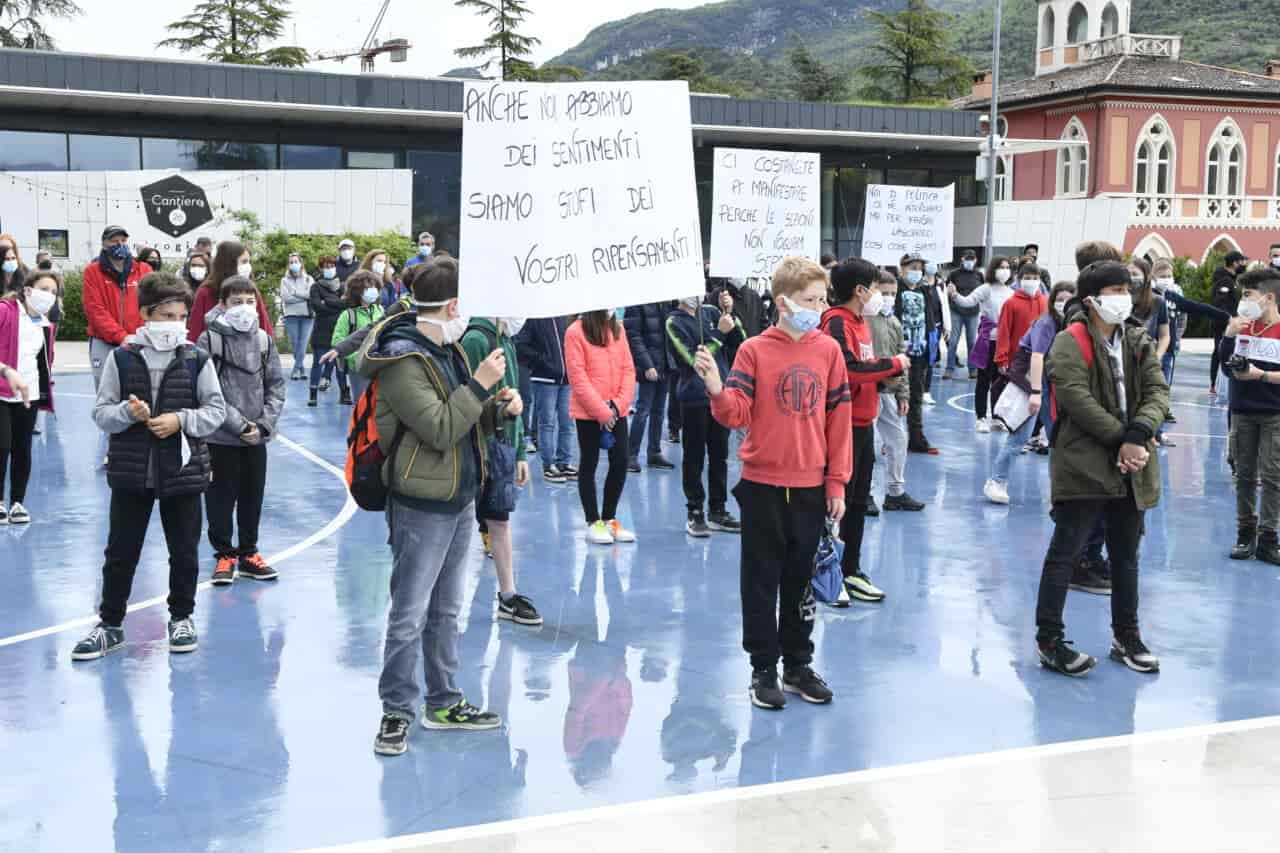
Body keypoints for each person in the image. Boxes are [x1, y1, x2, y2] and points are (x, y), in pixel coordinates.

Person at [354, 256, 517, 755]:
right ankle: (396, 710)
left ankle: (443, 699)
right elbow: (441, 427)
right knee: (409, 612)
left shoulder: (446, 351)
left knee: (447, 609)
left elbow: (466, 420)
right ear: (452, 305)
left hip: (460, 495)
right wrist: (480, 387)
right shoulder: (405, 360)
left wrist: (496, 409)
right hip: (421, 503)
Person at [699, 256, 851, 710]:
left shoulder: (828, 352)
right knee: (761, 580)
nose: (819, 308)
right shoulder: (754, 351)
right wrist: (715, 388)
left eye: (822, 299)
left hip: (810, 487)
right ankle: (763, 667)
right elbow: (736, 413)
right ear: (783, 302)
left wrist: (837, 482)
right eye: (810, 300)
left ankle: (798, 664)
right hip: (763, 485)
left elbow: (838, 421)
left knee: (800, 580)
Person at [72, 271, 227, 661]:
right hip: (131, 471)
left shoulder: (197, 359)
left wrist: (181, 420)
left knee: (185, 551)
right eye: (166, 316)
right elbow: (102, 413)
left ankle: (181, 617)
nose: (174, 324)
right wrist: (127, 411)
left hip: (182, 471)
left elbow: (216, 410)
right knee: (121, 551)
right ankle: (110, 624)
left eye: (180, 317)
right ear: (145, 314)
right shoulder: (122, 359)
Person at [1033, 260, 1167, 677]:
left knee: (1126, 557)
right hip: (1085, 465)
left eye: (1127, 289)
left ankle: (1126, 635)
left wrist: (1140, 431)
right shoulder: (1069, 341)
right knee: (1066, 552)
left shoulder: (1137, 339)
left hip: (1133, 463)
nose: (1124, 297)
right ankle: (1049, 638)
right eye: (1114, 291)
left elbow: (1158, 390)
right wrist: (1123, 439)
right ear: (1091, 299)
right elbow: (1075, 398)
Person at [822, 258, 911, 603]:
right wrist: (893, 364)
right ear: (860, 290)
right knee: (836, 503)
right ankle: (827, 570)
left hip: (864, 423)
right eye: (875, 287)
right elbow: (848, 369)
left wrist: (887, 378)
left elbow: (866, 370)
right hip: (840, 426)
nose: (879, 294)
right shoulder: (836, 322)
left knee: (858, 502)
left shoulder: (862, 323)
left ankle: (850, 568)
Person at [197, 275, 286, 585]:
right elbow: (209, 391)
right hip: (221, 437)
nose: (244, 308)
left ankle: (249, 553)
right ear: (222, 305)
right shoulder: (210, 340)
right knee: (220, 497)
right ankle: (224, 555)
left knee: (252, 496)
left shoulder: (264, 340)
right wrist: (240, 425)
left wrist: (263, 425)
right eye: (236, 302)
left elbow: (275, 385)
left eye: (250, 301)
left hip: (256, 438)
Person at [460, 315, 542, 626]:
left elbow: (513, 398)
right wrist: (500, 409)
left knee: (500, 519)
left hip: (503, 443)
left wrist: (519, 450)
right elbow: (467, 396)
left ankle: (508, 594)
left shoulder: (505, 337)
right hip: (480, 445)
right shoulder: (477, 339)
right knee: (468, 519)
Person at [984, 281, 1075, 505]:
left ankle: (1061, 488)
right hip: (1031, 383)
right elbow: (1037, 357)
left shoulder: (1073, 325)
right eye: (1059, 299)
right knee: (1019, 437)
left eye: (1068, 300)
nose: (1064, 304)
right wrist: (1035, 392)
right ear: (1052, 301)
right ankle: (996, 481)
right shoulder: (1046, 324)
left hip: (1053, 385)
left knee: (1058, 438)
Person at [666, 294, 745, 536]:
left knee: (720, 455)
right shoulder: (673, 322)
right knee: (694, 457)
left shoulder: (711, 312)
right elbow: (695, 361)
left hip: (720, 394)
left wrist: (731, 316)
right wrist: (719, 334)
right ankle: (695, 510)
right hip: (694, 398)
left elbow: (741, 342)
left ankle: (718, 509)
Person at [1219, 267, 1280, 564]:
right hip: (1242, 412)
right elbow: (1225, 367)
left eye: (1247, 295)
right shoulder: (1242, 326)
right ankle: (1245, 534)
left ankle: (1269, 538)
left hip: (1275, 414)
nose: (1242, 301)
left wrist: (1262, 376)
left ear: (1268, 298)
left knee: (1273, 477)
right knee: (1244, 475)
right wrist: (1228, 337)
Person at [565, 308, 636, 545]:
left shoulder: (618, 329)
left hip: (617, 410)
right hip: (589, 413)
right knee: (589, 463)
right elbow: (578, 378)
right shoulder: (575, 332)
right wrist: (602, 411)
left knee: (621, 460)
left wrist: (617, 405)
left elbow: (628, 369)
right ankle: (592, 521)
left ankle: (609, 517)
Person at [0, 270, 58, 524]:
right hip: (1, 390)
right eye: (44, 289)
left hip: (29, 393)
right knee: (2, 446)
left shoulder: (46, 324)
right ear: (28, 290)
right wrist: (6, 371)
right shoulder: (5, 311)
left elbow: (44, 360)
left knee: (22, 449)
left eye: (54, 292)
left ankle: (17, 503)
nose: (49, 295)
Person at [866, 271, 923, 514]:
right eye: (883, 293)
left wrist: (903, 393)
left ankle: (895, 492)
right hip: (868, 391)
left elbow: (903, 359)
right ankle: (864, 491)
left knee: (898, 440)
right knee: (866, 445)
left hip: (890, 393)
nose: (888, 298)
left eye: (892, 294)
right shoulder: (864, 320)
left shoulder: (895, 322)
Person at [950, 255, 1015, 432]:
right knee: (983, 381)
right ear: (993, 269)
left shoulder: (1011, 292)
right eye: (1001, 267)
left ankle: (996, 417)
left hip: (1004, 343)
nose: (1004, 270)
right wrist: (954, 295)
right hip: (987, 340)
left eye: (1007, 267)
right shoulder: (986, 289)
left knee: (999, 381)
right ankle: (980, 417)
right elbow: (968, 301)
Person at [82, 226, 146, 394]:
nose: (120, 244)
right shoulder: (92, 272)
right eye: (114, 241)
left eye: (123, 241)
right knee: (106, 392)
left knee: (137, 392)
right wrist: (121, 336)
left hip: (137, 341)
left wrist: (137, 335)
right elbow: (94, 309)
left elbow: (149, 305)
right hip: (103, 342)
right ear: (104, 244)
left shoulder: (143, 270)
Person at [516, 316, 577, 483]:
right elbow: (520, 345)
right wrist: (542, 361)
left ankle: (564, 462)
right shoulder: (534, 318)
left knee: (567, 422)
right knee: (547, 423)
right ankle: (548, 465)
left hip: (566, 379)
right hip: (545, 379)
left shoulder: (562, 316)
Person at [623, 301, 675, 473]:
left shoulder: (666, 302)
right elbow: (633, 336)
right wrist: (647, 364)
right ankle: (631, 455)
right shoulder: (638, 302)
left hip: (664, 364)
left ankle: (654, 452)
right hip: (649, 365)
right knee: (643, 410)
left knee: (659, 411)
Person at [897, 253, 941, 453]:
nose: (916, 271)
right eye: (911, 267)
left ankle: (916, 439)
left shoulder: (926, 291)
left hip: (919, 351)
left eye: (919, 268)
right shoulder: (895, 288)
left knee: (916, 395)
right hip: (898, 351)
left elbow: (932, 317)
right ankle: (894, 439)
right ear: (902, 268)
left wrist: (931, 349)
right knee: (894, 396)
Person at [1127, 258, 1173, 448]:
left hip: (1148, 361)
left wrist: (1156, 356)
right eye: (1128, 273)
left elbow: (1165, 336)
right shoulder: (1120, 299)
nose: (1131, 278)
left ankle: (1152, 435)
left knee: (1151, 400)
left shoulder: (1157, 302)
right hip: (1125, 361)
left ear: (1146, 276)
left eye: (1135, 273)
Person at [188, 240, 270, 344]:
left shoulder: (251, 291)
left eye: (249, 262)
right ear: (229, 263)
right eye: (244, 262)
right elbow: (196, 330)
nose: (248, 267)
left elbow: (264, 326)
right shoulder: (206, 292)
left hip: (248, 351)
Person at [332, 271, 386, 403]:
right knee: (362, 404)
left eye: (374, 287)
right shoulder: (347, 315)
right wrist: (357, 358)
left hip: (380, 365)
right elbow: (337, 341)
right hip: (359, 369)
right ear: (358, 292)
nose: (373, 291)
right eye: (368, 288)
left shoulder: (380, 310)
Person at [308, 256, 351, 407]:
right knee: (317, 363)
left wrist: (327, 301)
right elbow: (317, 306)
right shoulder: (315, 287)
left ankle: (344, 393)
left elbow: (347, 303)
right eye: (326, 266)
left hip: (340, 331)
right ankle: (313, 395)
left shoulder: (344, 286)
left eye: (332, 265)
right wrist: (337, 304)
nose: (329, 269)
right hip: (321, 332)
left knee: (340, 365)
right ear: (321, 269)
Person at [1211, 250, 1248, 395]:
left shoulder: (1232, 279)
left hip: (1229, 323)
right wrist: (1229, 319)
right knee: (1219, 352)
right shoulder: (1224, 280)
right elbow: (1220, 303)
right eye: (1241, 261)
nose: (1244, 264)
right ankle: (1215, 384)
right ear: (1234, 263)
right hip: (1223, 324)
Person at [946, 250, 984, 380]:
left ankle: (972, 369)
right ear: (962, 260)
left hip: (973, 313)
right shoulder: (953, 274)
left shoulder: (979, 275)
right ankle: (949, 368)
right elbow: (947, 291)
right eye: (967, 258)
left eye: (971, 259)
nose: (969, 261)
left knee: (972, 342)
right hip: (956, 311)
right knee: (953, 341)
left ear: (975, 260)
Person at [279, 253, 314, 381]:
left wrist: (294, 293)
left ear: (301, 263)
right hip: (291, 316)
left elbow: (311, 295)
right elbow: (285, 298)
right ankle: (301, 368)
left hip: (307, 316)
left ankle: (296, 368)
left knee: (303, 343)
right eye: (291, 262)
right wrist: (301, 296)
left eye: (296, 261)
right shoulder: (284, 280)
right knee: (295, 343)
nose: (294, 264)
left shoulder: (308, 279)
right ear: (288, 265)